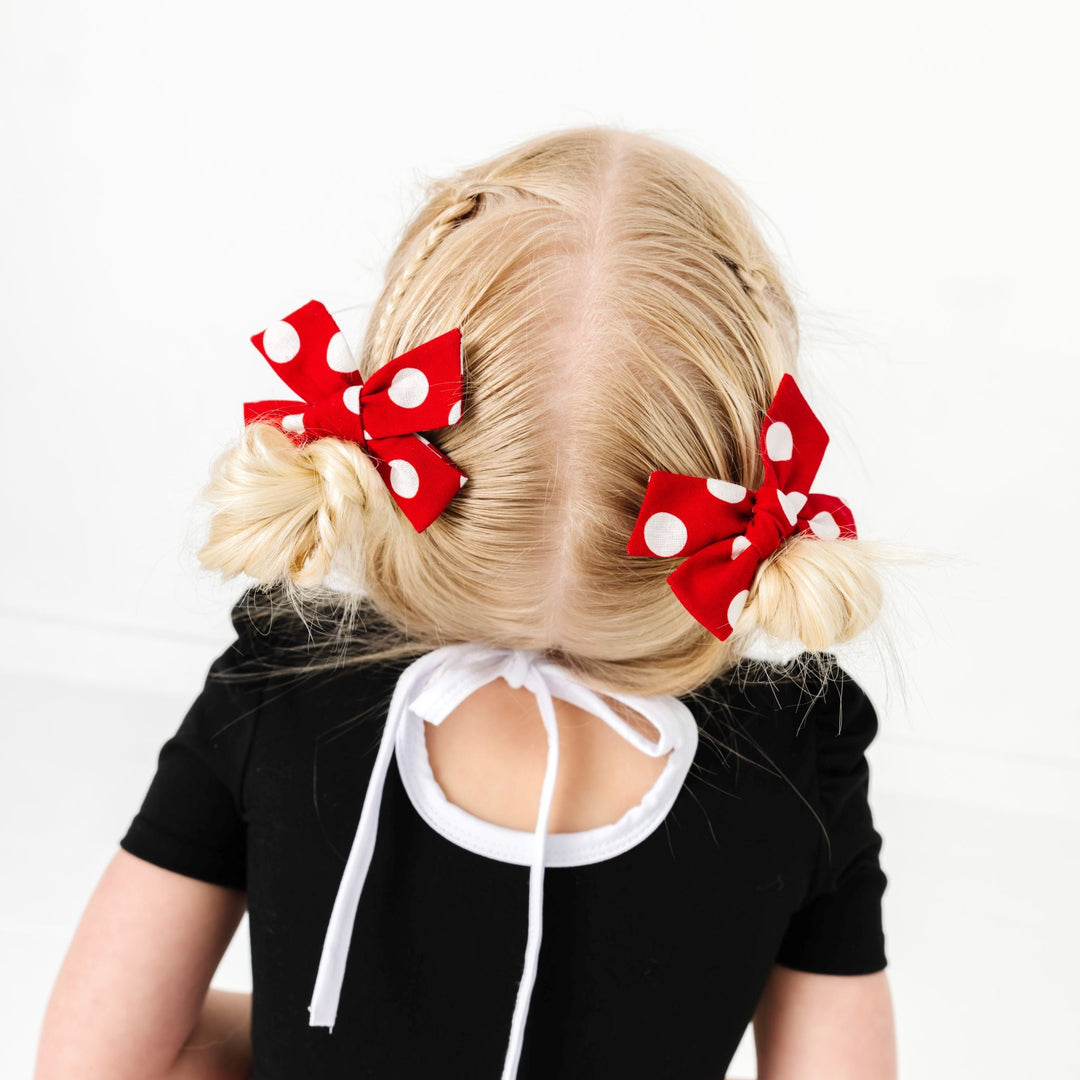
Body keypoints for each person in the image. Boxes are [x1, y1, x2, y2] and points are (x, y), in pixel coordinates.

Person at [35, 127, 898, 1079]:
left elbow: (94, 1064)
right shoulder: (798, 754)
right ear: (747, 454)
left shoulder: (284, 681)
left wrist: (330, 1031)